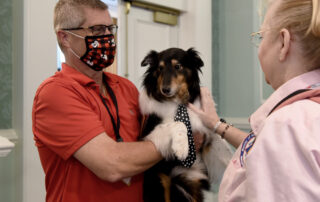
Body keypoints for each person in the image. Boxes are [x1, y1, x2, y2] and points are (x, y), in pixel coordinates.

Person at [32, 0, 189, 201]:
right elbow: (112, 165)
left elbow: (158, 126)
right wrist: (177, 137)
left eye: (110, 28)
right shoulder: (55, 93)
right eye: (97, 30)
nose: (108, 37)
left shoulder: (126, 88)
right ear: (65, 38)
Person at [190, 0, 320, 201]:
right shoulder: (305, 115)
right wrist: (215, 124)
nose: (259, 47)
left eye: (261, 36)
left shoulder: (286, 127)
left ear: (284, 43)